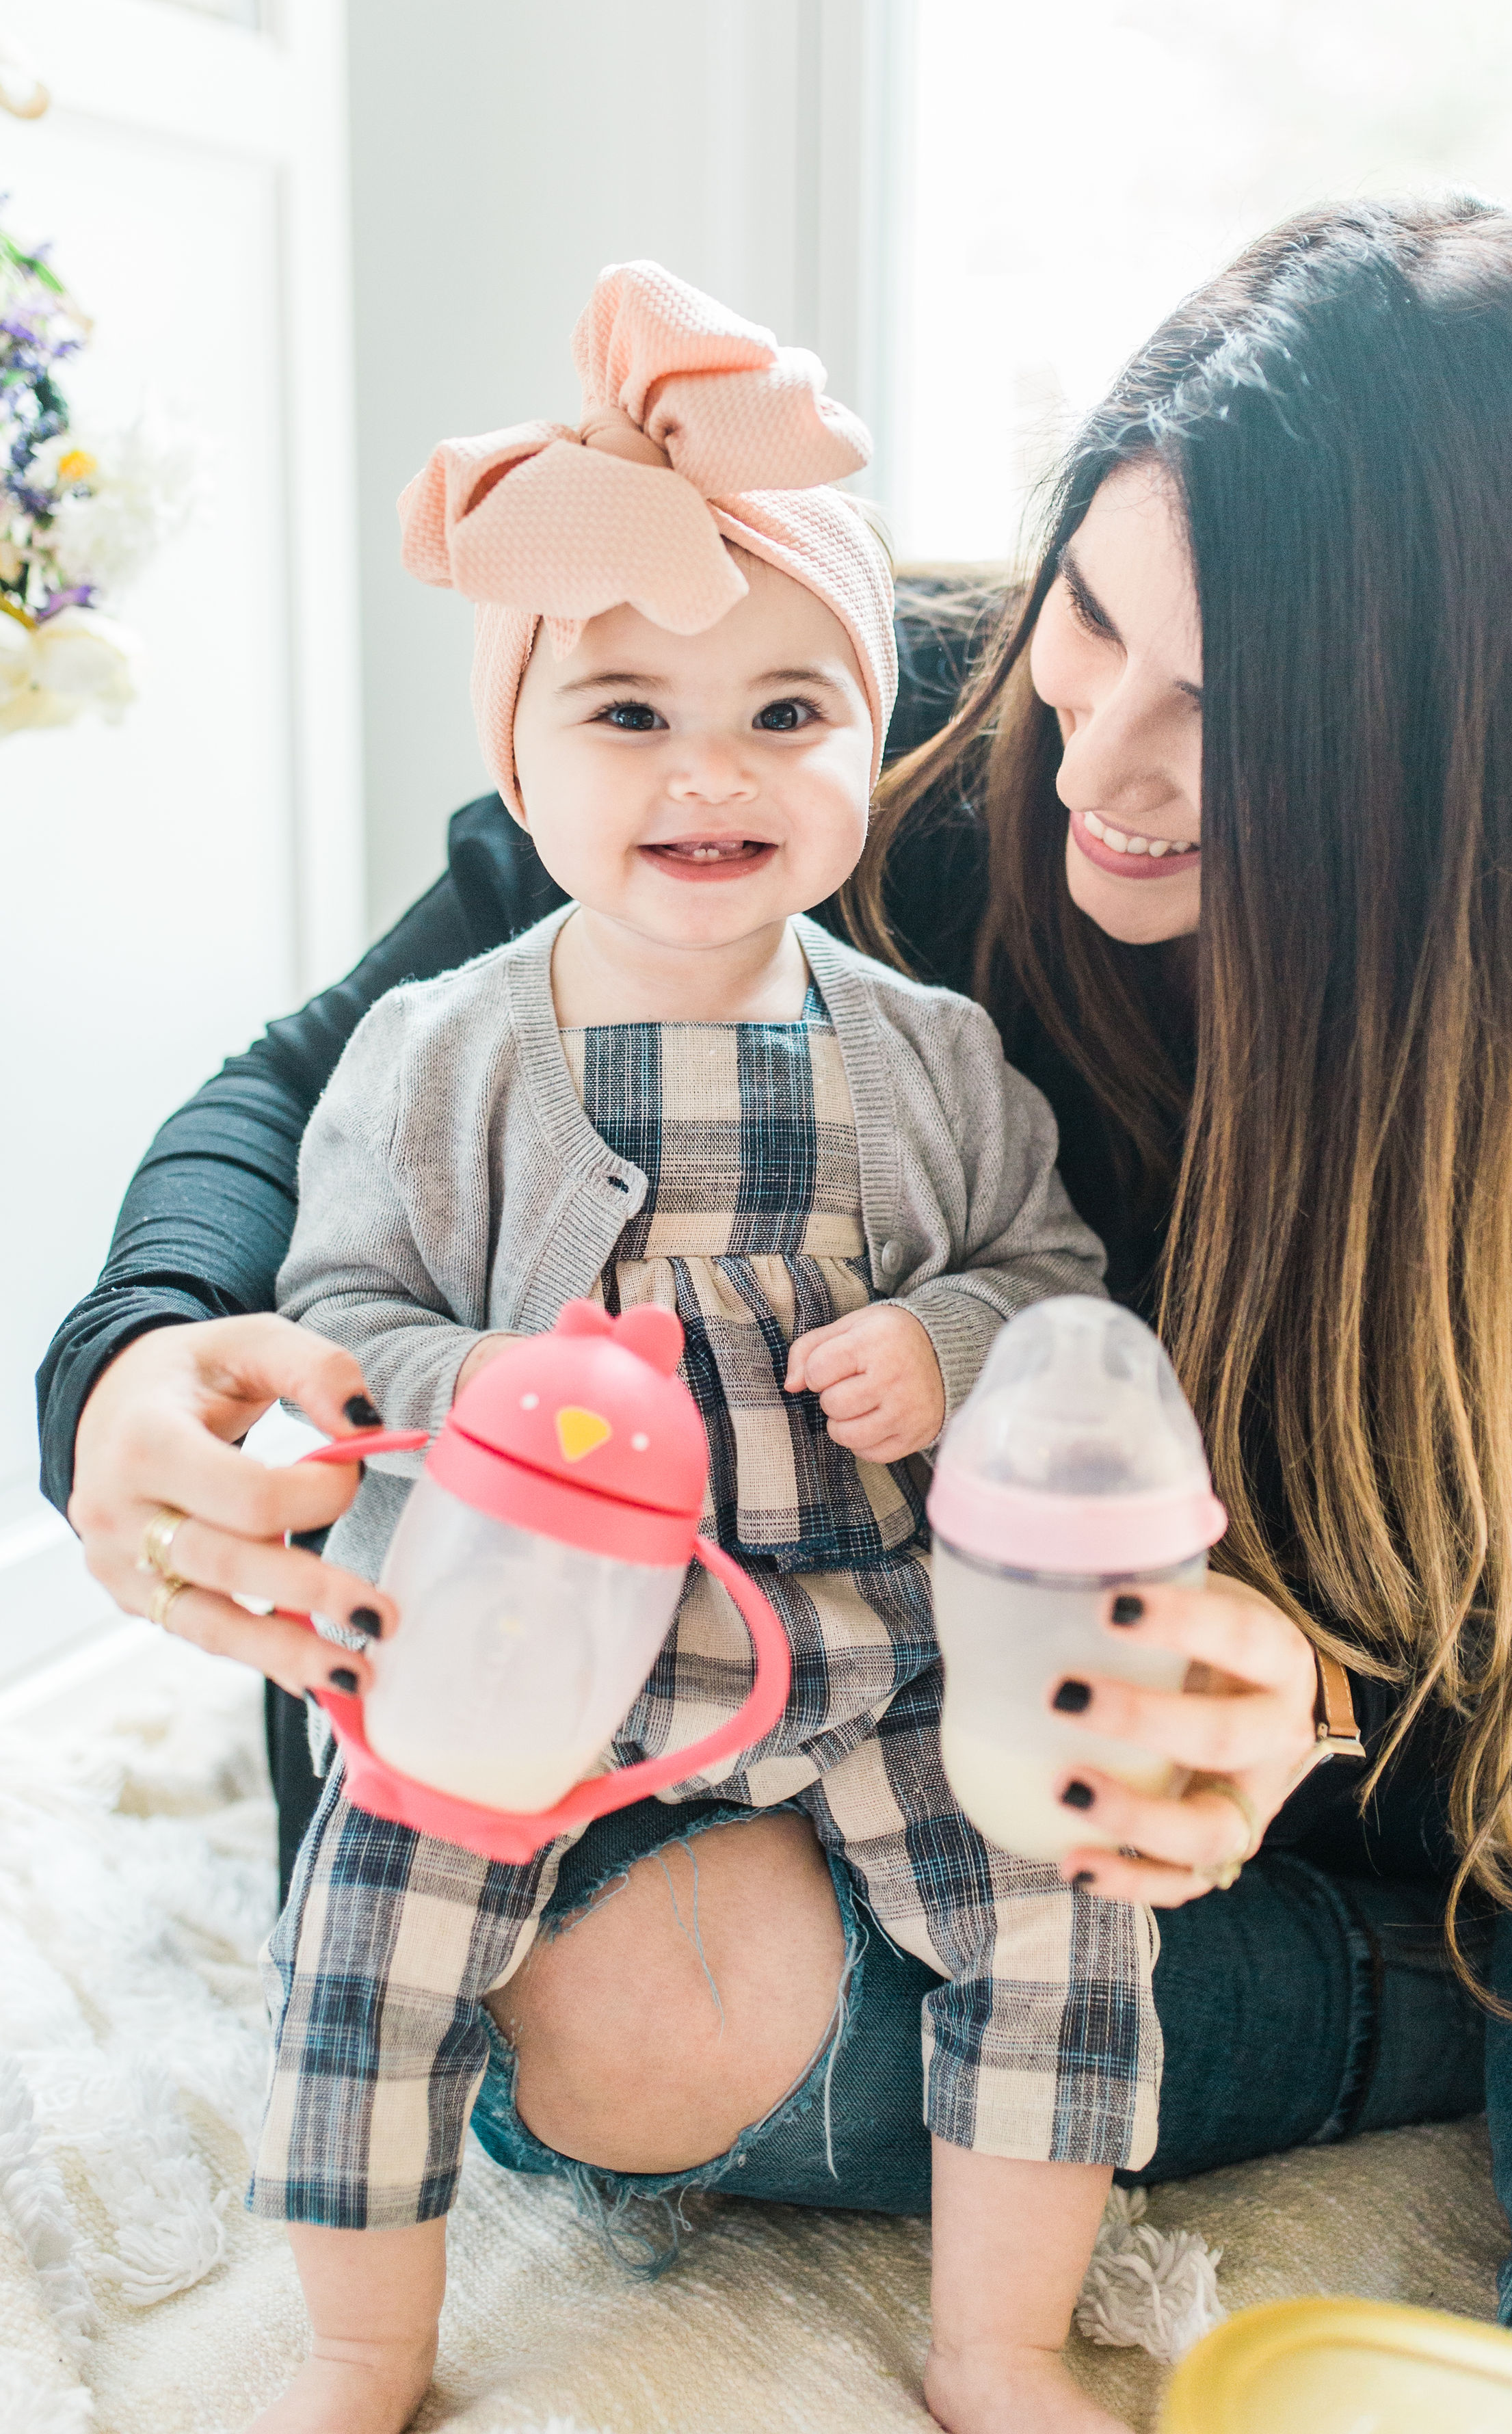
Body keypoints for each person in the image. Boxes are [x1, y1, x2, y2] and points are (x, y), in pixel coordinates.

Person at [47, 191, 1512, 2420]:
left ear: (1455, 802)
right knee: (584, 2023)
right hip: (608, 1664)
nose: (1097, 767)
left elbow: (1502, 1682)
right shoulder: (819, 714)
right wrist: (136, 1368)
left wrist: (1297, 1688)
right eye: (1097, 618)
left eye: (1236, 726)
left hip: (1051, 1746)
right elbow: (299, 1109)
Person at [250, 260, 1137, 2434]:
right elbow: (337, 1313)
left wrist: (947, 1339)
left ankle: (996, 2340)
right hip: (529, 1626)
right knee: (375, 1920)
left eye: (785, 711)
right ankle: (359, 2353)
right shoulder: (441, 1051)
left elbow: (1059, 1276)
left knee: (1060, 1896)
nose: (708, 771)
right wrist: (477, 1393)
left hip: (873, 1617)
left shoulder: (933, 1054)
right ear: (524, 760)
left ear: (867, 745)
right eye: (629, 713)